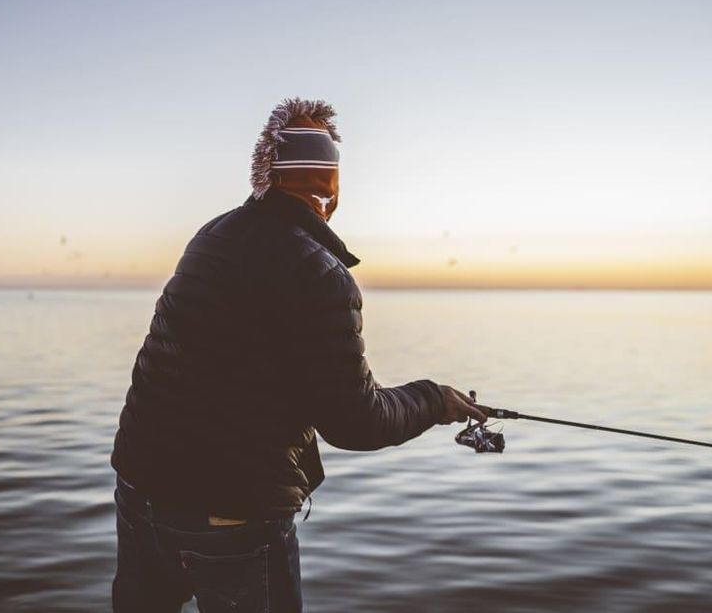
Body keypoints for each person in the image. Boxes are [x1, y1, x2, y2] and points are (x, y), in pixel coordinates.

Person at [110, 98, 487, 612]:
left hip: (139, 488)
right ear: (330, 189)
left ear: (265, 171)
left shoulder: (211, 236)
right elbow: (357, 423)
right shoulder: (323, 276)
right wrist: (435, 400)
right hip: (234, 517)